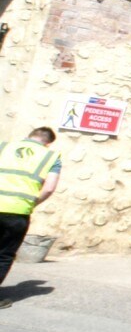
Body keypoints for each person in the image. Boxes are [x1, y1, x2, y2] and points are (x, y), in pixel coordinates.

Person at [0, 126, 61, 305]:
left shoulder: (4, 147)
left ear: (28, 136)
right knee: (4, 254)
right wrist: (31, 203)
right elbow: (49, 188)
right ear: (48, 143)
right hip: (18, 211)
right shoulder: (51, 156)